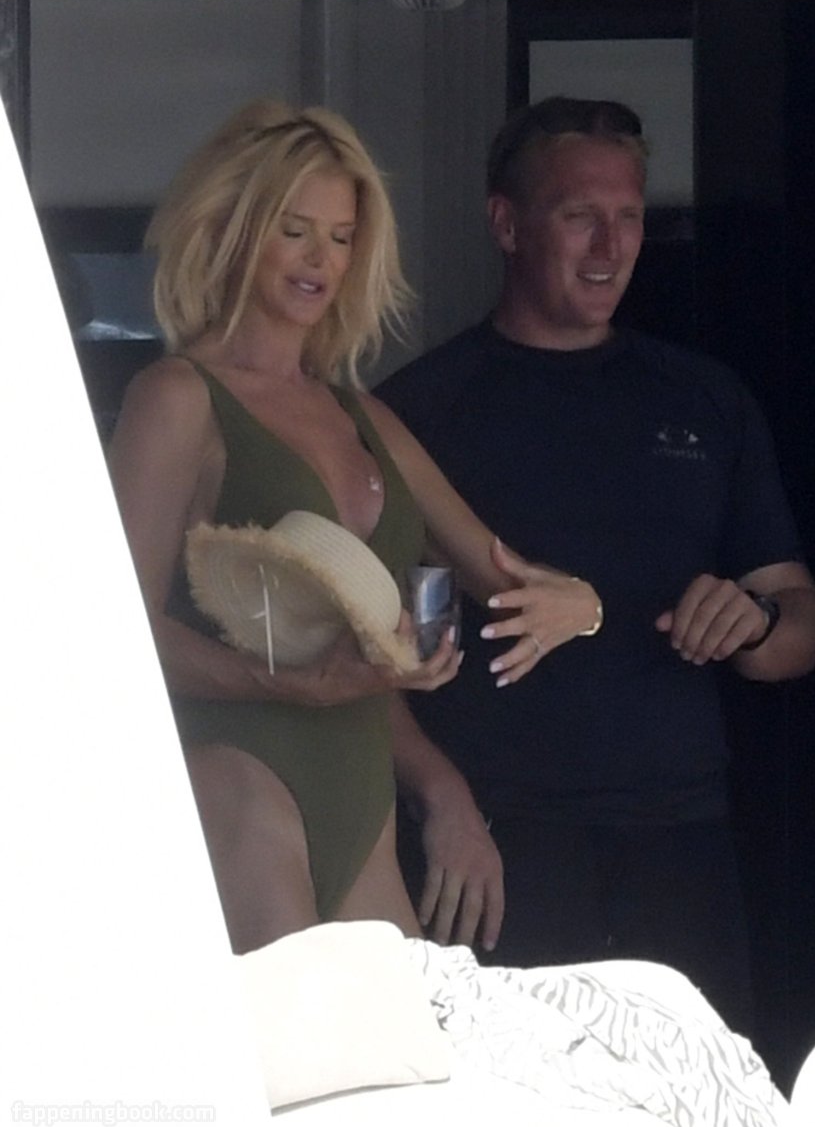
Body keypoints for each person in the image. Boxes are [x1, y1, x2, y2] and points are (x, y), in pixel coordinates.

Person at [107, 99, 602, 956]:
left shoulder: (361, 414)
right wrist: (286, 683)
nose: (321, 260)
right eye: (294, 230)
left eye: (340, 237)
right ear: (235, 230)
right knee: (293, 1035)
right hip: (235, 766)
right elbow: (112, 635)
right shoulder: (178, 396)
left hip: (358, 780)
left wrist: (584, 607)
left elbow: (500, 573)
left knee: (396, 1039)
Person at [377, 95, 815, 1034]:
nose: (609, 246)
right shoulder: (421, 412)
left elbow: (798, 620)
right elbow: (372, 655)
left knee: (691, 1097)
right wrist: (440, 801)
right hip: (497, 841)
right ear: (507, 224)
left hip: (681, 837)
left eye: (628, 217)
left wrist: (753, 623)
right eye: (579, 215)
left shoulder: (704, 399)